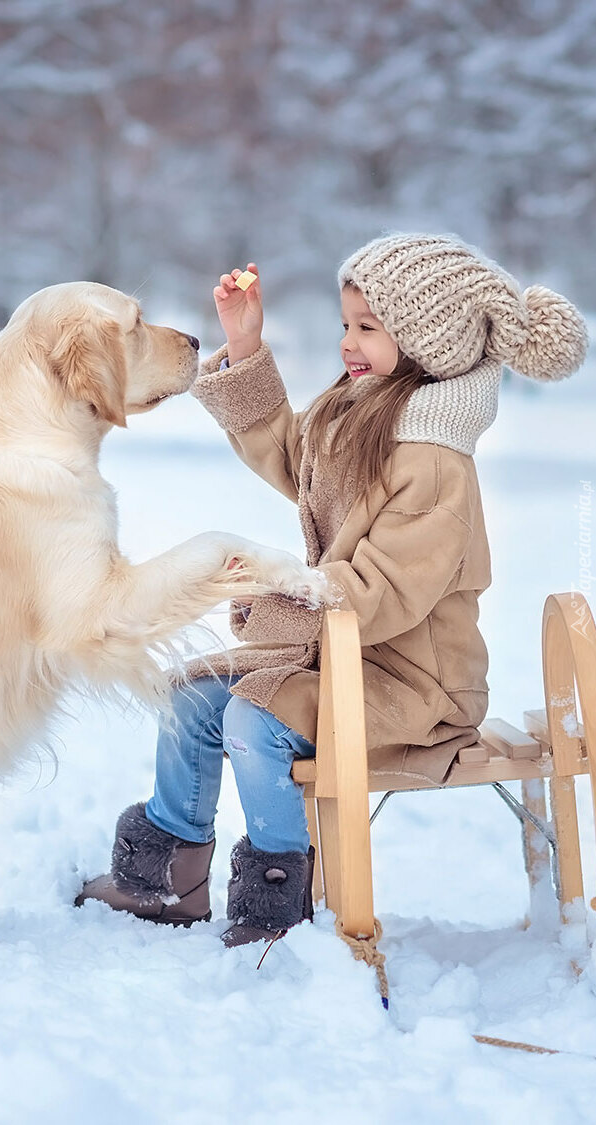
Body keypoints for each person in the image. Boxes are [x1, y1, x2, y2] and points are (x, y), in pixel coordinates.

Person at [77, 233, 588, 947]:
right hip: (338, 658)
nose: (348, 341)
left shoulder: (435, 464)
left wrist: (281, 591)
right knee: (191, 698)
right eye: (346, 322)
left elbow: (382, 589)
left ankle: (275, 902)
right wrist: (247, 346)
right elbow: (295, 457)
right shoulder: (362, 410)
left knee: (253, 721)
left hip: (415, 685)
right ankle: (165, 873)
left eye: (367, 327)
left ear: (422, 340)